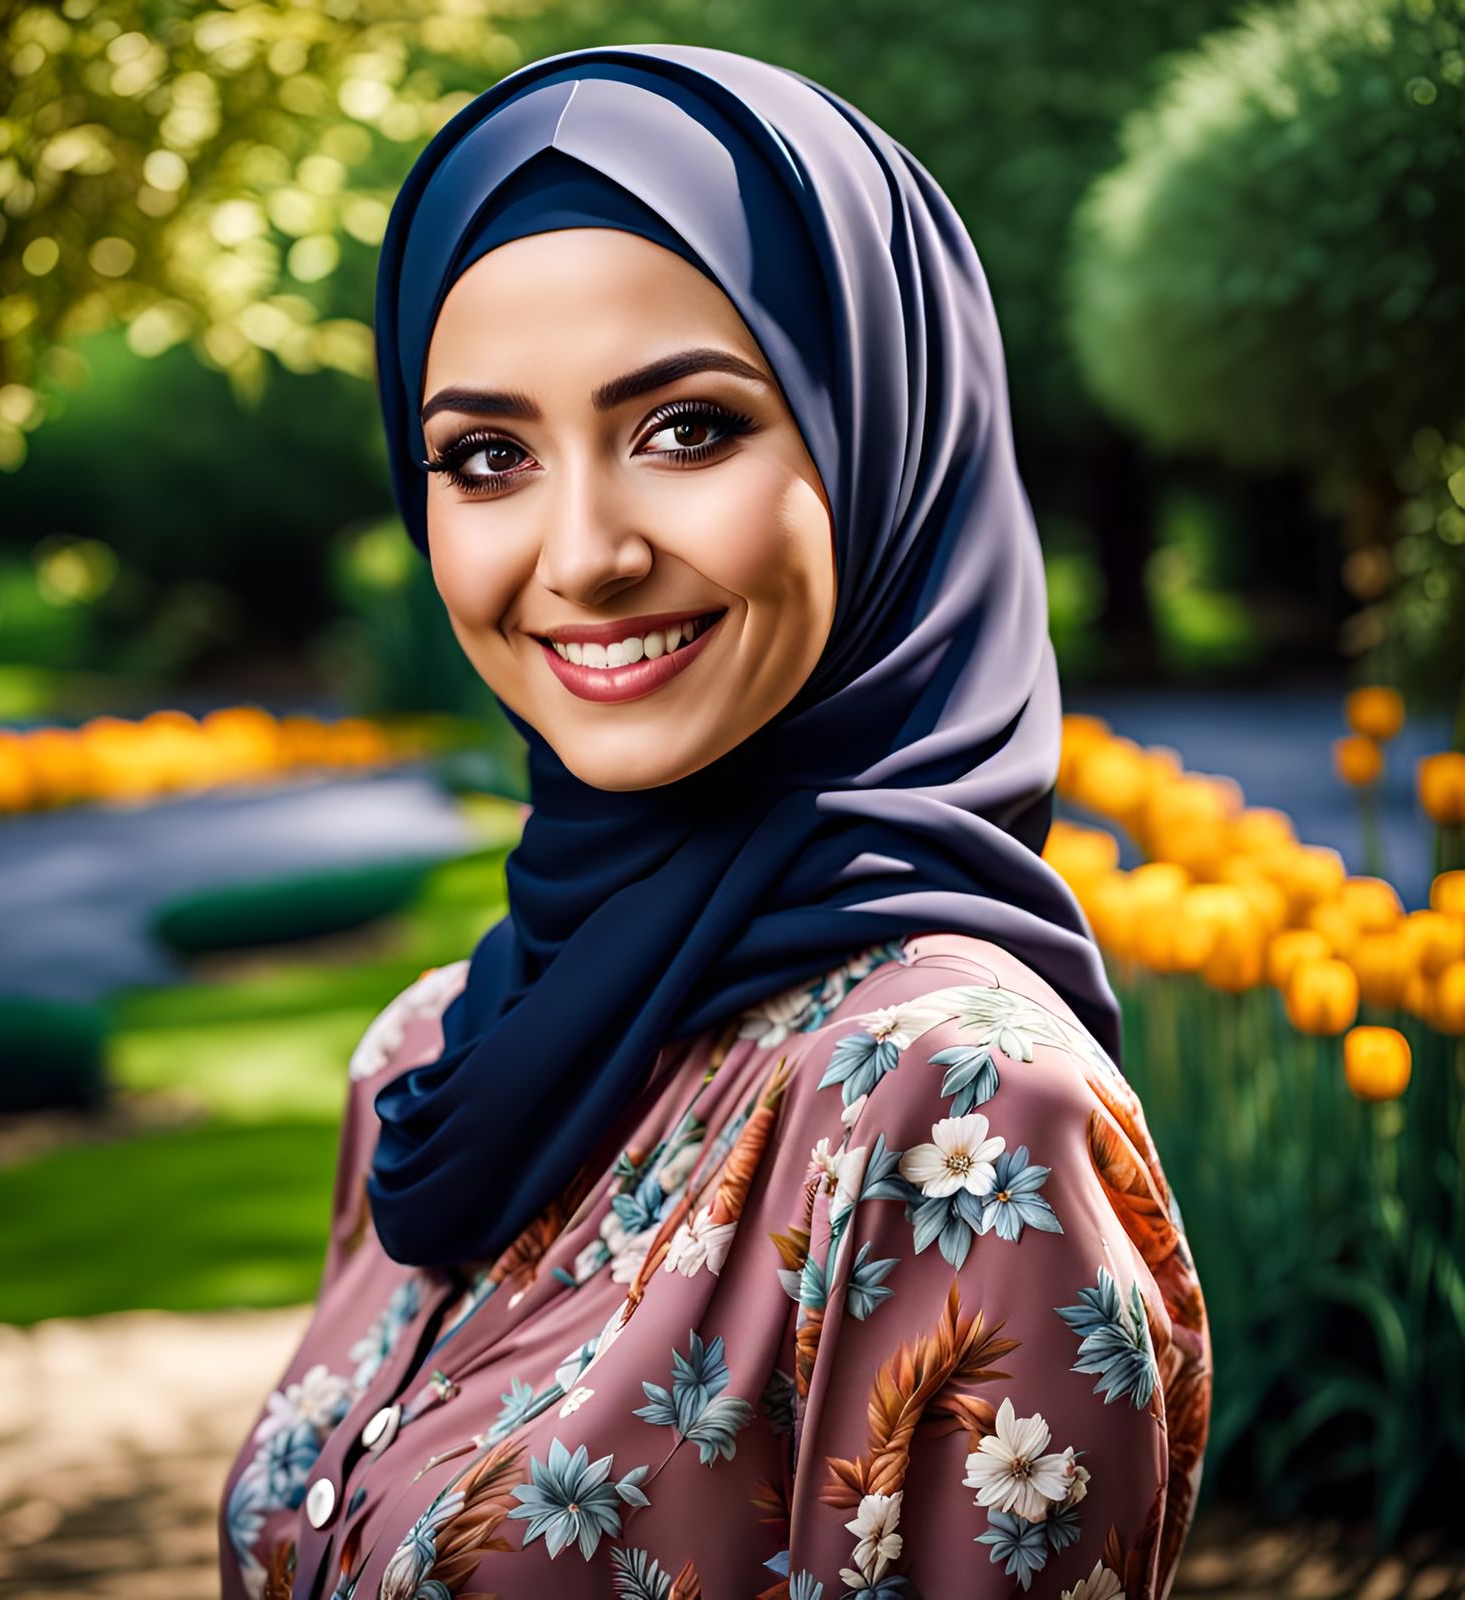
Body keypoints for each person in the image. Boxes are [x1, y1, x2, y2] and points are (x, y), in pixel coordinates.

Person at [218, 41, 1211, 1600]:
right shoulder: (424, 1060)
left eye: (686, 427)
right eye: (488, 457)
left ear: (884, 436)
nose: (585, 553)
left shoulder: (952, 1113)